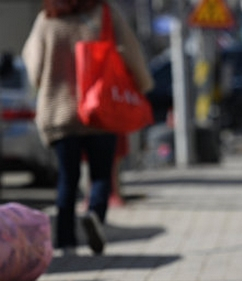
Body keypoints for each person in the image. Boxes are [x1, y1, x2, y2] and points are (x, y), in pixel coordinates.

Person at [22, 0, 154, 256]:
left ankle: (66, 242)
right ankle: (94, 215)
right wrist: (143, 83)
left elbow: (33, 66)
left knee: (67, 180)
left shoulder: (47, 19)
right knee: (102, 175)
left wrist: (48, 79)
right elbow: (129, 50)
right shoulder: (104, 12)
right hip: (100, 108)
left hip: (61, 112)